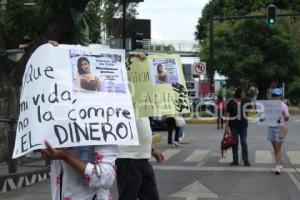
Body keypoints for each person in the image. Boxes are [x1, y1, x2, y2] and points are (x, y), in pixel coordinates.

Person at [45, 40, 119, 200]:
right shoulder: (60, 119)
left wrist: (66, 156)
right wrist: (55, 55)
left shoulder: (103, 124)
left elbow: (106, 178)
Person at [116, 117, 165, 200]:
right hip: (128, 157)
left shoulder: (142, 106)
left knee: (151, 196)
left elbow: (141, 128)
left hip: (143, 157)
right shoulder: (123, 104)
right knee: (128, 197)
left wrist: (152, 149)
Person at [224, 88, 252, 166]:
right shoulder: (231, 103)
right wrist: (226, 127)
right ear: (238, 93)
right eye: (243, 93)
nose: (244, 95)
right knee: (234, 143)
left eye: (244, 93)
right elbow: (227, 115)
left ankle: (246, 160)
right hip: (233, 126)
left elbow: (251, 109)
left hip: (243, 126)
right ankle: (235, 160)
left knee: (244, 143)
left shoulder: (246, 101)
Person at [268, 88, 289, 175]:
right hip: (271, 128)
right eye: (274, 96)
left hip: (280, 129)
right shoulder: (268, 105)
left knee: (278, 147)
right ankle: (279, 165)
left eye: (277, 96)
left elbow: (287, 118)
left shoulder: (284, 106)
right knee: (275, 148)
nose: (275, 97)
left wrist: (284, 115)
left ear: (280, 96)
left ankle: (277, 167)